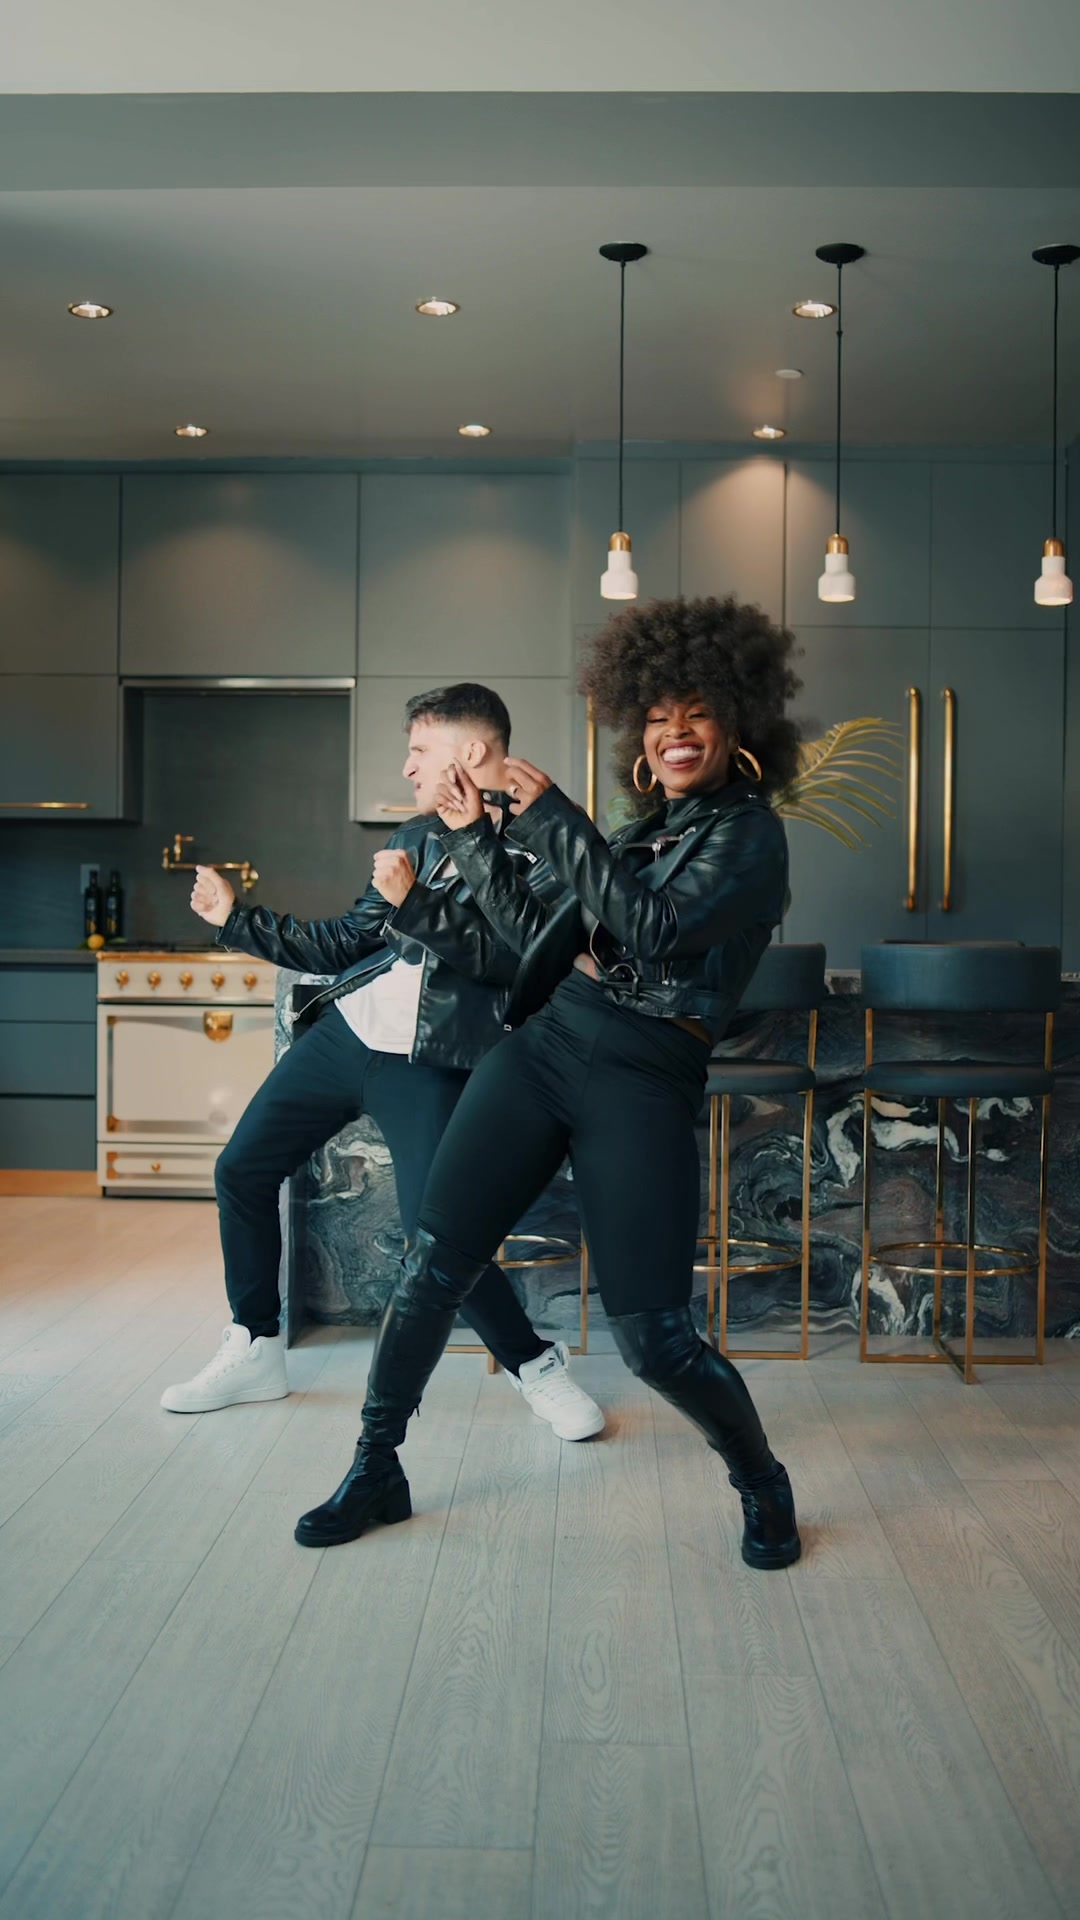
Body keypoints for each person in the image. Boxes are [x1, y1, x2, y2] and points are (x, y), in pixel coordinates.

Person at [294, 597, 803, 1569]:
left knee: (655, 1339)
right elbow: (540, 939)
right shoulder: (645, 834)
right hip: (547, 1045)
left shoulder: (751, 838)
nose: (674, 730)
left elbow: (654, 931)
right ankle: (376, 1468)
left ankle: (760, 1480)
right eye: (657, 716)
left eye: (697, 712)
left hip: (643, 1075)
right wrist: (474, 837)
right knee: (432, 1263)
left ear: (739, 725)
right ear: (641, 741)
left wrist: (560, 819)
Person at [160, 682, 604, 1445]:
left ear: (472, 751)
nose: (407, 767)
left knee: (438, 1238)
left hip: (429, 1061)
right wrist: (236, 920)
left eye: (420, 749)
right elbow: (346, 942)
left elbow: (519, 961)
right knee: (241, 1169)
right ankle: (255, 1344)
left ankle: (535, 1366)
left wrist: (416, 903)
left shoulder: (549, 846)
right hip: (346, 1036)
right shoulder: (419, 834)